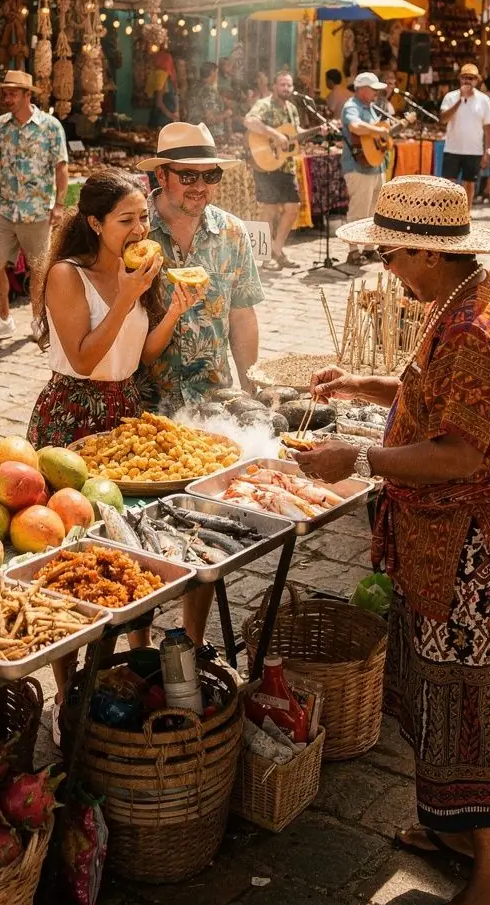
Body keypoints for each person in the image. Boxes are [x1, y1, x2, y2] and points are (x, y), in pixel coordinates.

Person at [298, 174, 490, 905]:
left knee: (475, 711)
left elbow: (457, 450)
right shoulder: (464, 301)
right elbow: (433, 399)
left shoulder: (477, 329)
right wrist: (365, 384)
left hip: (473, 555)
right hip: (453, 548)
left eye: (391, 257)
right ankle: (457, 835)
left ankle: (489, 893)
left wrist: (362, 458)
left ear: (426, 254)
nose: (387, 271)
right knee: (451, 703)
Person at [137, 122, 264, 643]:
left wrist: (250, 387)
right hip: (145, 400)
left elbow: (242, 317)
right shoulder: (135, 232)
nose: (199, 186)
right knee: (139, 534)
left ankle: (192, 634)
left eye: (208, 175)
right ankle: (138, 644)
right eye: (186, 175)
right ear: (162, 175)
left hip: (213, 398)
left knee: (204, 524)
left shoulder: (231, 233)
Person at [28, 168, 197, 449]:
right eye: (126, 220)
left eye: (143, 216)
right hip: (74, 411)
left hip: (127, 407)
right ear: (96, 223)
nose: (140, 229)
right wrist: (124, 300)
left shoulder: (136, 270)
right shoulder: (67, 275)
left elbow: (143, 354)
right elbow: (83, 361)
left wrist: (175, 312)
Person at [0, 70, 69, 344]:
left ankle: (39, 320)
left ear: (28, 95)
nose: (6, 98)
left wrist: (59, 205)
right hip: (3, 207)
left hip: (36, 209)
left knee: (39, 269)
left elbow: (61, 168)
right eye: (4, 93)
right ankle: (4, 319)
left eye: (12, 93)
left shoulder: (51, 126)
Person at [243, 70, 308, 269]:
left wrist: (314, 132)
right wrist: (274, 134)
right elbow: (249, 121)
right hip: (266, 164)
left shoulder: (292, 109)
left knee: (292, 208)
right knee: (269, 210)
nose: (286, 88)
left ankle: (277, 249)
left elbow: (292, 134)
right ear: (274, 86)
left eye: (289, 85)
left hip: (286, 164)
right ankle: (264, 257)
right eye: (282, 85)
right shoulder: (264, 105)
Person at [339, 72, 390, 267]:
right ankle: (353, 251)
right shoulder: (351, 106)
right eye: (373, 89)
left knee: (374, 209)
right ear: (361, 89)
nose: (377, 92)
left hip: (375, 165)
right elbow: (355, 127)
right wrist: (378, 131)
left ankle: (369, 248)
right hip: (358, 166)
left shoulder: (371, 107)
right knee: (358, 209)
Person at [439, 63, 490, 208]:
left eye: (471, 78)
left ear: (476, 81)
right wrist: (460, 100)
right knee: (448, 185)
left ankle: (466, 215)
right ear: (459, 79)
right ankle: (447, 214)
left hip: (474, 150)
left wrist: (488, 150)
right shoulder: (450, 97)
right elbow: (443, 119)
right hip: (452, 148)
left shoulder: (484, 100)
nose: (467, 81)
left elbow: (488, 127)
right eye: (464, 77)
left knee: (469, 185)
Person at [190, 62, 227, 143]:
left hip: (193, 132)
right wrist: (227, 114)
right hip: (208, 136)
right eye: (216, 73)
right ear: (212, 73)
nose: (217, 76)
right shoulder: (208, 91)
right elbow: (211, 120)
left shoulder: (194, 87)